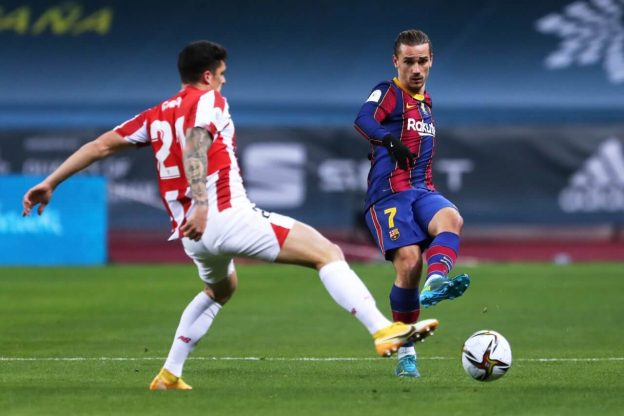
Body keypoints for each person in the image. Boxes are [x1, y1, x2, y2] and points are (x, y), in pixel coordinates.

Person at [22, 40, 440, 390]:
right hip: (221, 215)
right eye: (221, 73)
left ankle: (169, 373)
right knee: (327, 253)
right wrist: (203, 203)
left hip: (191, 234)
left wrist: (51, 181)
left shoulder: (156, 114)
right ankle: (382, 329)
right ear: (207, 75)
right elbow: (195, 143)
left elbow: (99, 145)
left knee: (220, 289)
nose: (224, 80)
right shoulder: (209, 100)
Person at [353, 29, 470, 378]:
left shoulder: (426, 103)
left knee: (451, 218)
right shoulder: (388, 91)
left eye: (422, 61)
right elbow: (363, 119)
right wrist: (388, 140)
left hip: (422, 190)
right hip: (388, 194)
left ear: (431, 60)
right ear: (396, 62)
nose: (416, 69)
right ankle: (406, 351)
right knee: (408, 262)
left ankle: (436, 281)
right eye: (409, 62)